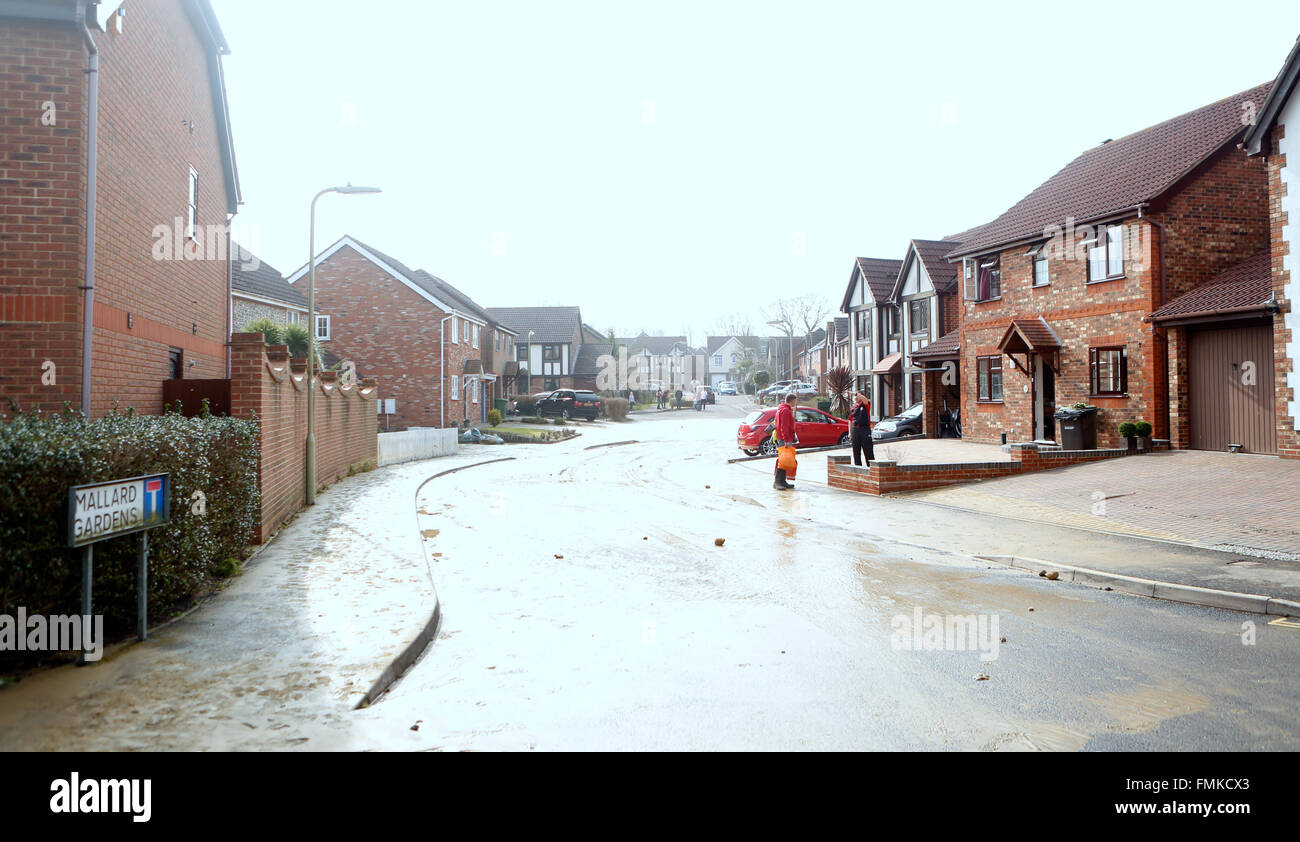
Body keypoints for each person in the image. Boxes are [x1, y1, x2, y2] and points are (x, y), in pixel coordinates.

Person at [773, 392, 797, 490]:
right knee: (784, 460)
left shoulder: (781, 409)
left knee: (784, 460)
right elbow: (784, 427)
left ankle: (782, 481)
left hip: (781, 437)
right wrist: (786, 440)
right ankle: (778, 482)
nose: (795, 403)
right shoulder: (786, 411)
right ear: (792, 401)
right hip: (784, 439)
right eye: (795, 401)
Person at [849, 392, 874, 467]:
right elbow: (850, 420)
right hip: (855, 430)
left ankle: (871, 469)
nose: (856, 397)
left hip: (865, 430)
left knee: (868, 451)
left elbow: (865, 400)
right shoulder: (853, 408)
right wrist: (850, 433)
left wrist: (856, 394)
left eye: (858, 396)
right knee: (856, 452)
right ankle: (858, 469)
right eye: (855, 397)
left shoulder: (866, 405)